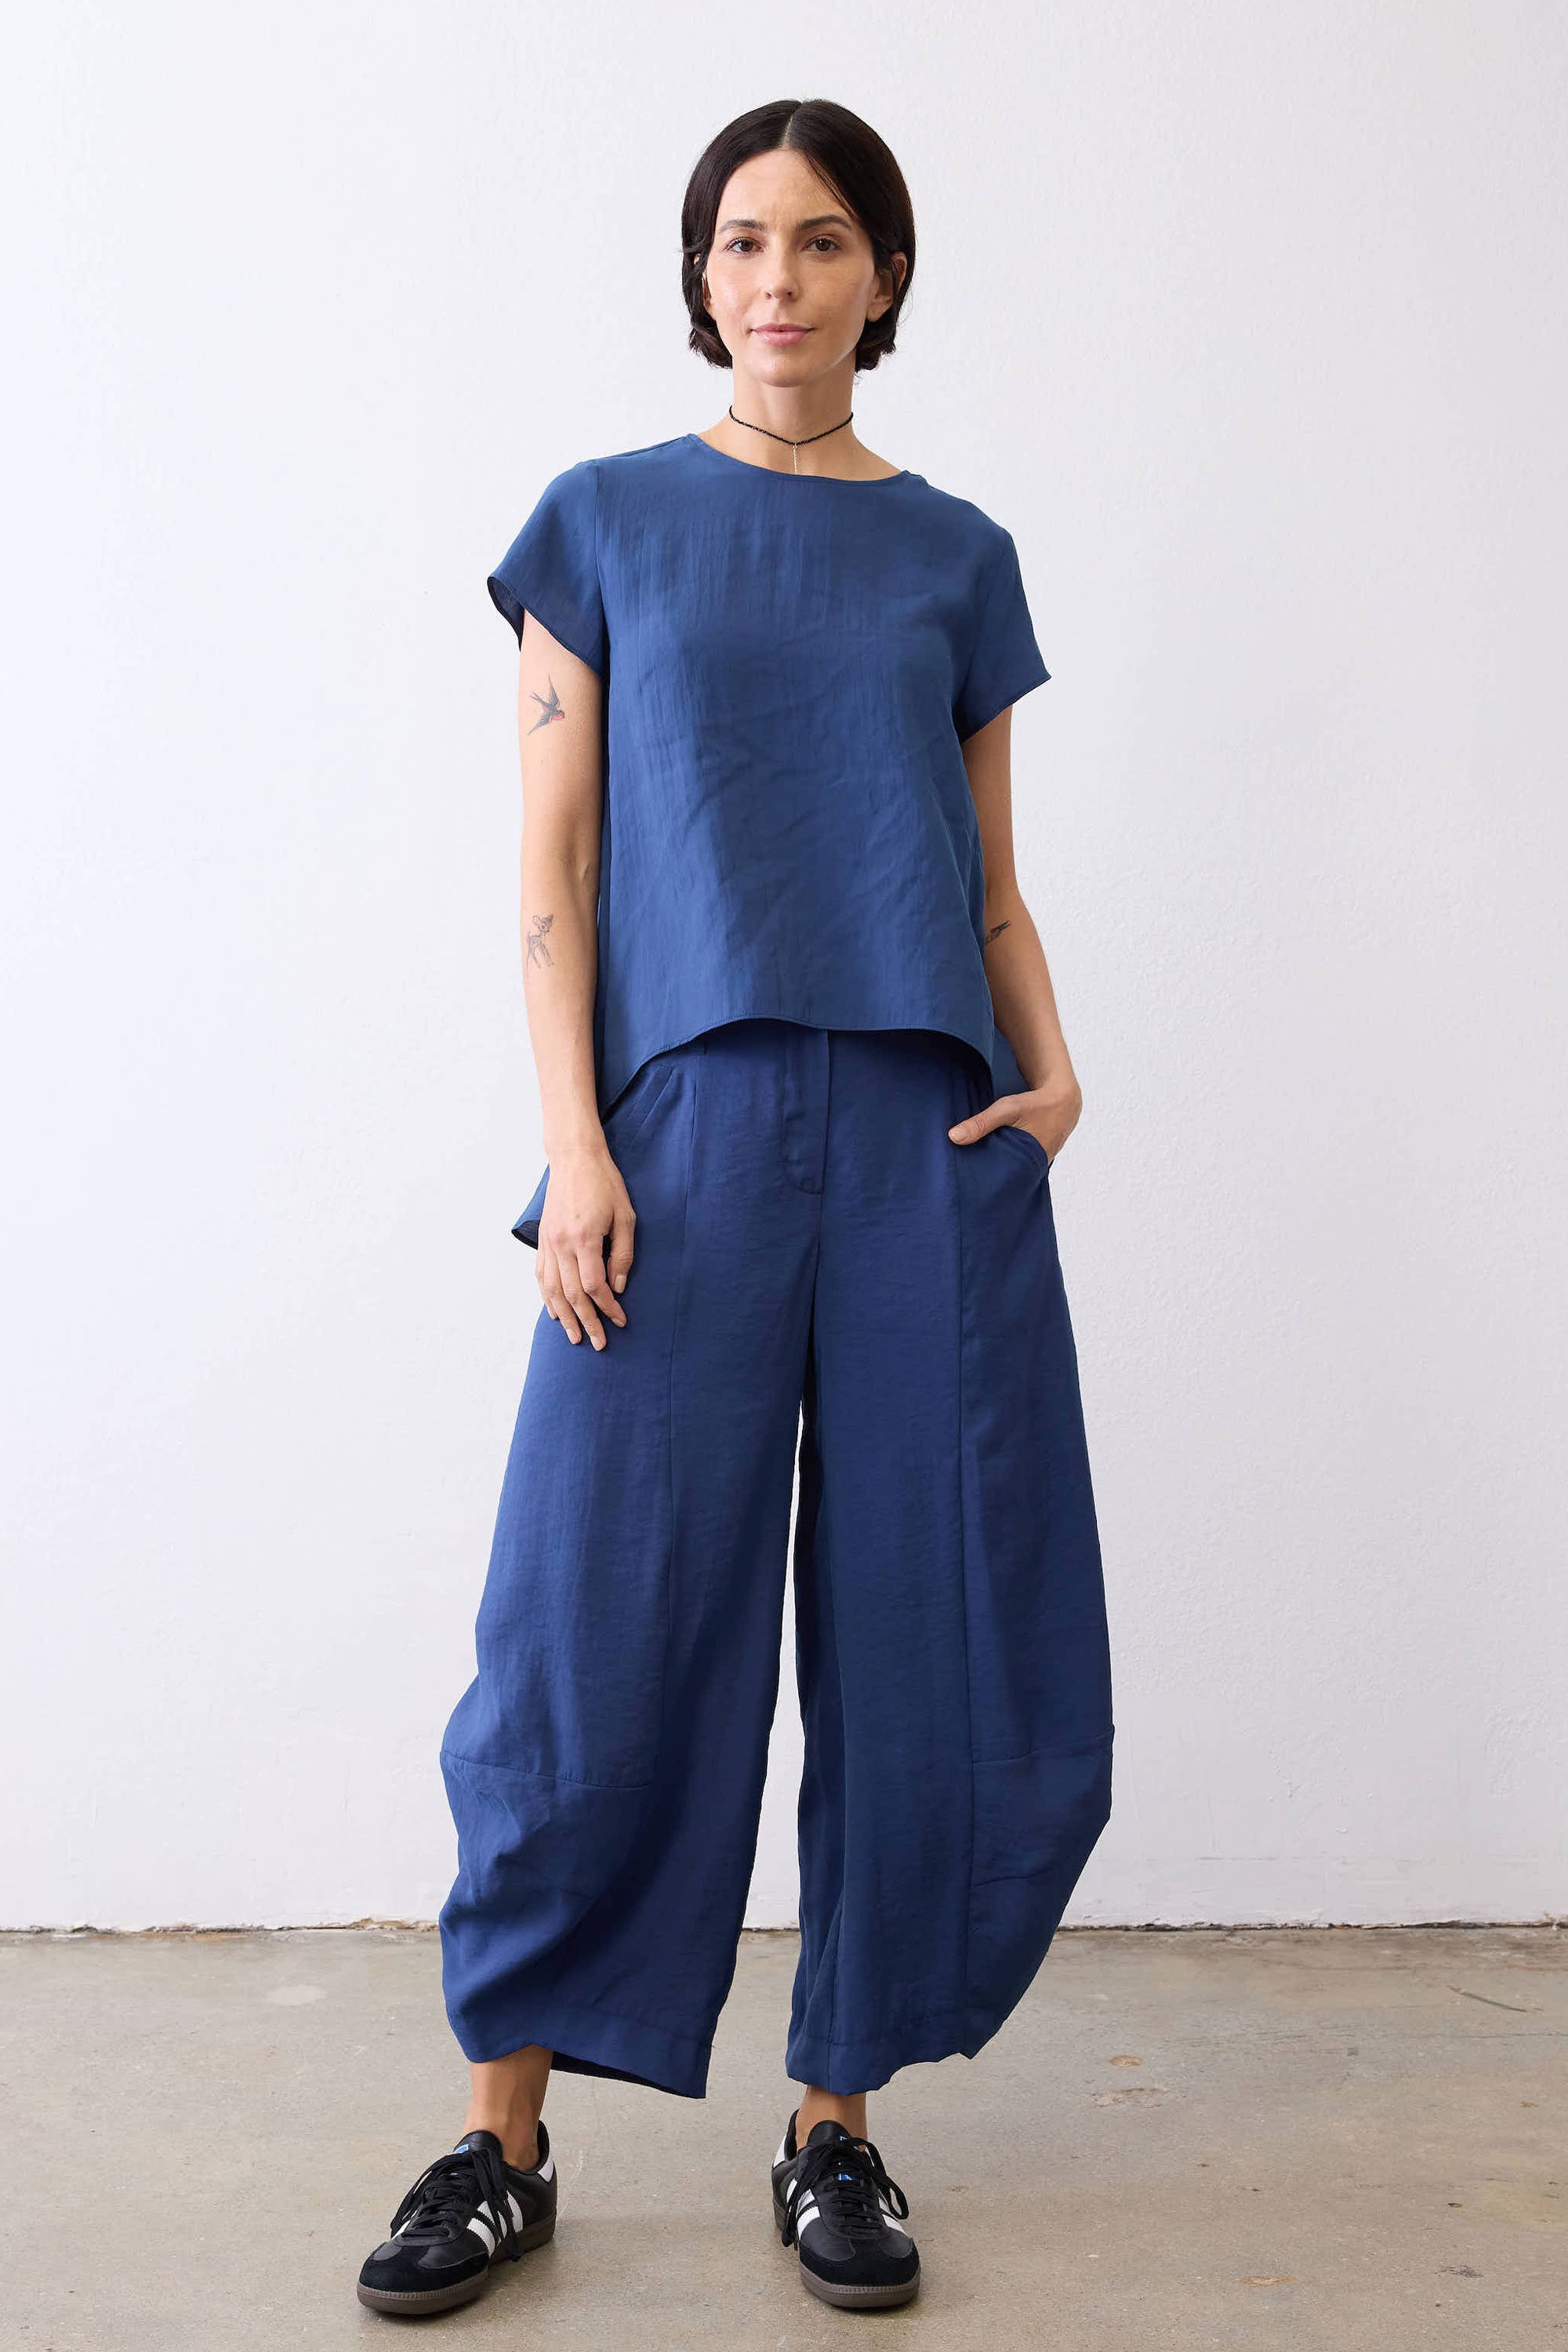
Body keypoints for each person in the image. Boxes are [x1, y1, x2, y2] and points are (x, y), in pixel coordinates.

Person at [357, 94, 1114, 2321]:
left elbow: (985, 881)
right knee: (588, 1628)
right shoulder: (602, 522)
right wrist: (578, 1146)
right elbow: (557, 866)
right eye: (742, 240)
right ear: (701, 278)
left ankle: (835, 2124)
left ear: (886, 277)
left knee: (924, 1630)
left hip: (924, 1142)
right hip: (675, 1137)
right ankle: (502, 2142)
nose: (778, 277)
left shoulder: (956, 556)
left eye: (822, 239)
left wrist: (1056, 1066)